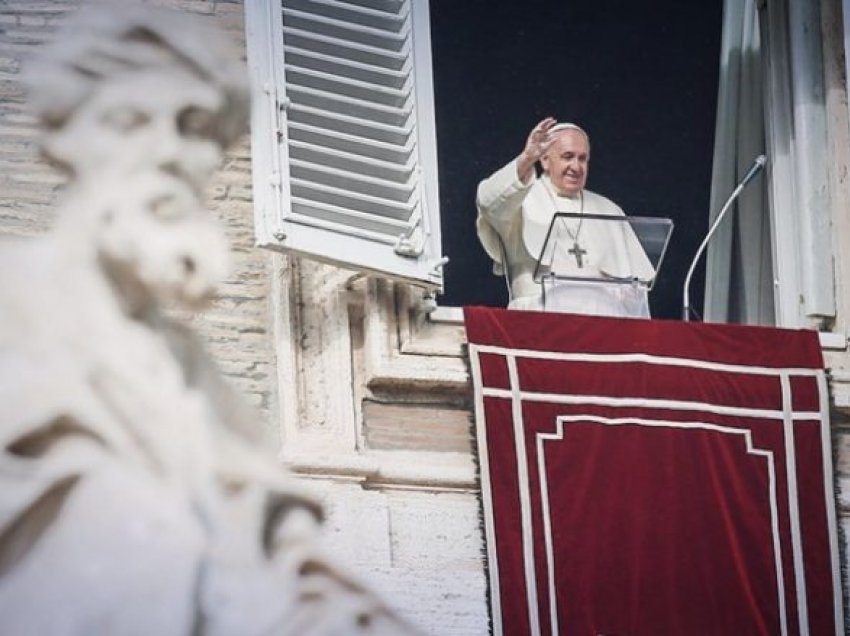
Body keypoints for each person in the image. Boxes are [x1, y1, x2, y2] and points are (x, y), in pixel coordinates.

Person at [476, 117, 655, 317]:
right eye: (567, 156)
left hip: (603, 327)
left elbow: (636, 293)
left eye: (582, 158)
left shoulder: (609, 210)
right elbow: (487, 201)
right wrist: (526, 158)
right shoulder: (520, 201)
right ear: (544, 160)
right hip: (539, 321)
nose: (576, 167)